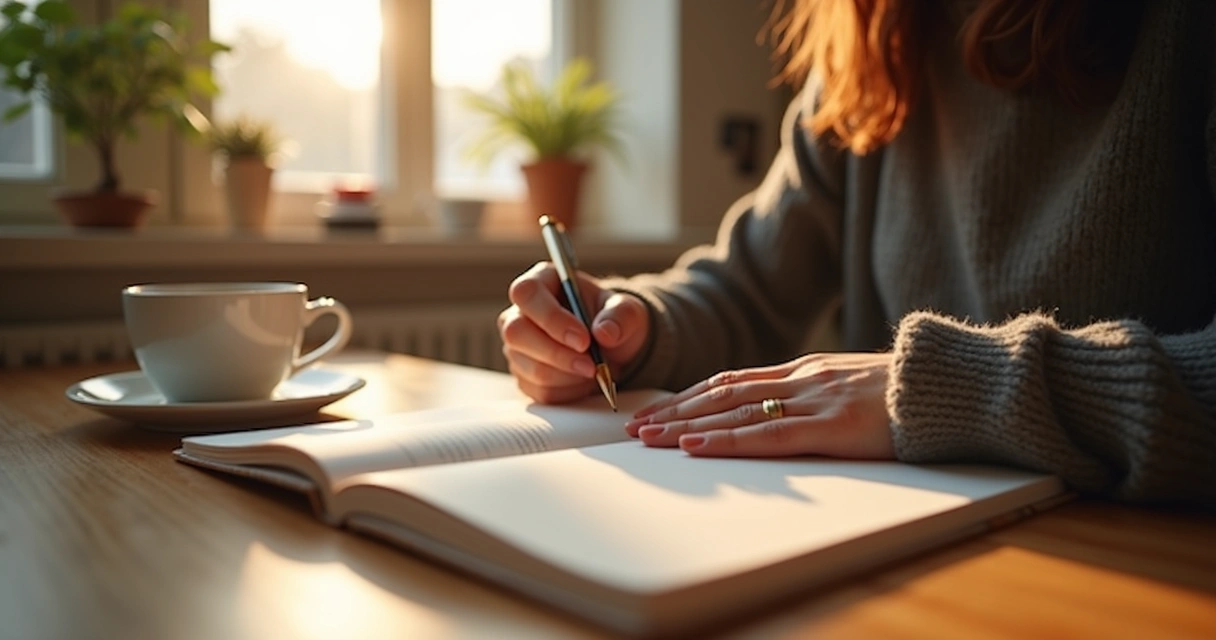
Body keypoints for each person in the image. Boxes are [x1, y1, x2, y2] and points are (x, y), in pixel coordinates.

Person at [497, 0, 1216, 507]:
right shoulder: (876, 33)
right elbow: (749, 289)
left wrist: (950, 387)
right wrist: (631, 328)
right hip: (908, 547)